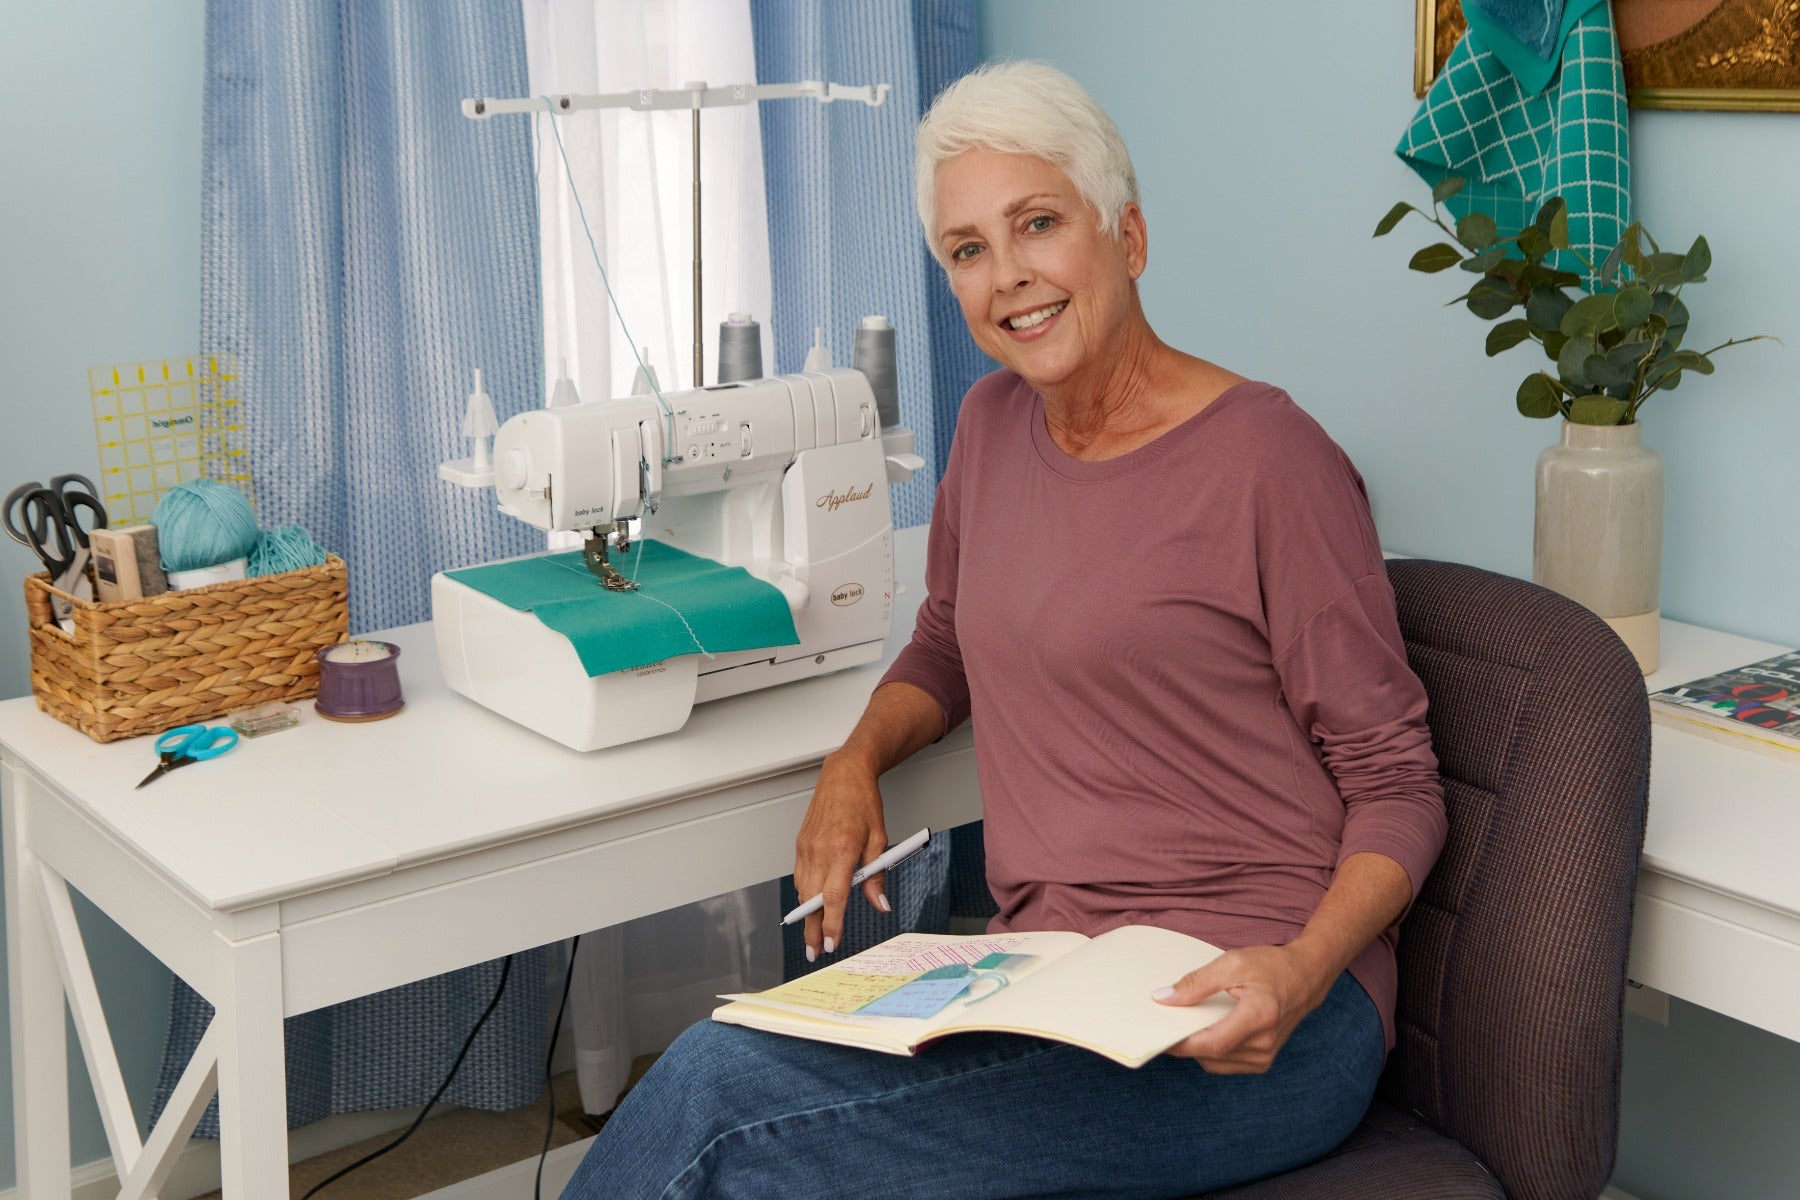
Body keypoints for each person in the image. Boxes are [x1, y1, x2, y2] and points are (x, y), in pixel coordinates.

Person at [562, 60, 1447, 1199]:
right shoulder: (988, 425)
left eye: (1038, 224)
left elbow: (1398, 781)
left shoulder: (1271, 462)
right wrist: (854, 760)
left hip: (1260, 1010)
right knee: (735, 1069)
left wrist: (1303, 969)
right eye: (968, 249)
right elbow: (947, 641)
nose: (1008, 276)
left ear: (1127, 236)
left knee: (717, 1104)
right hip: (1053, 981)